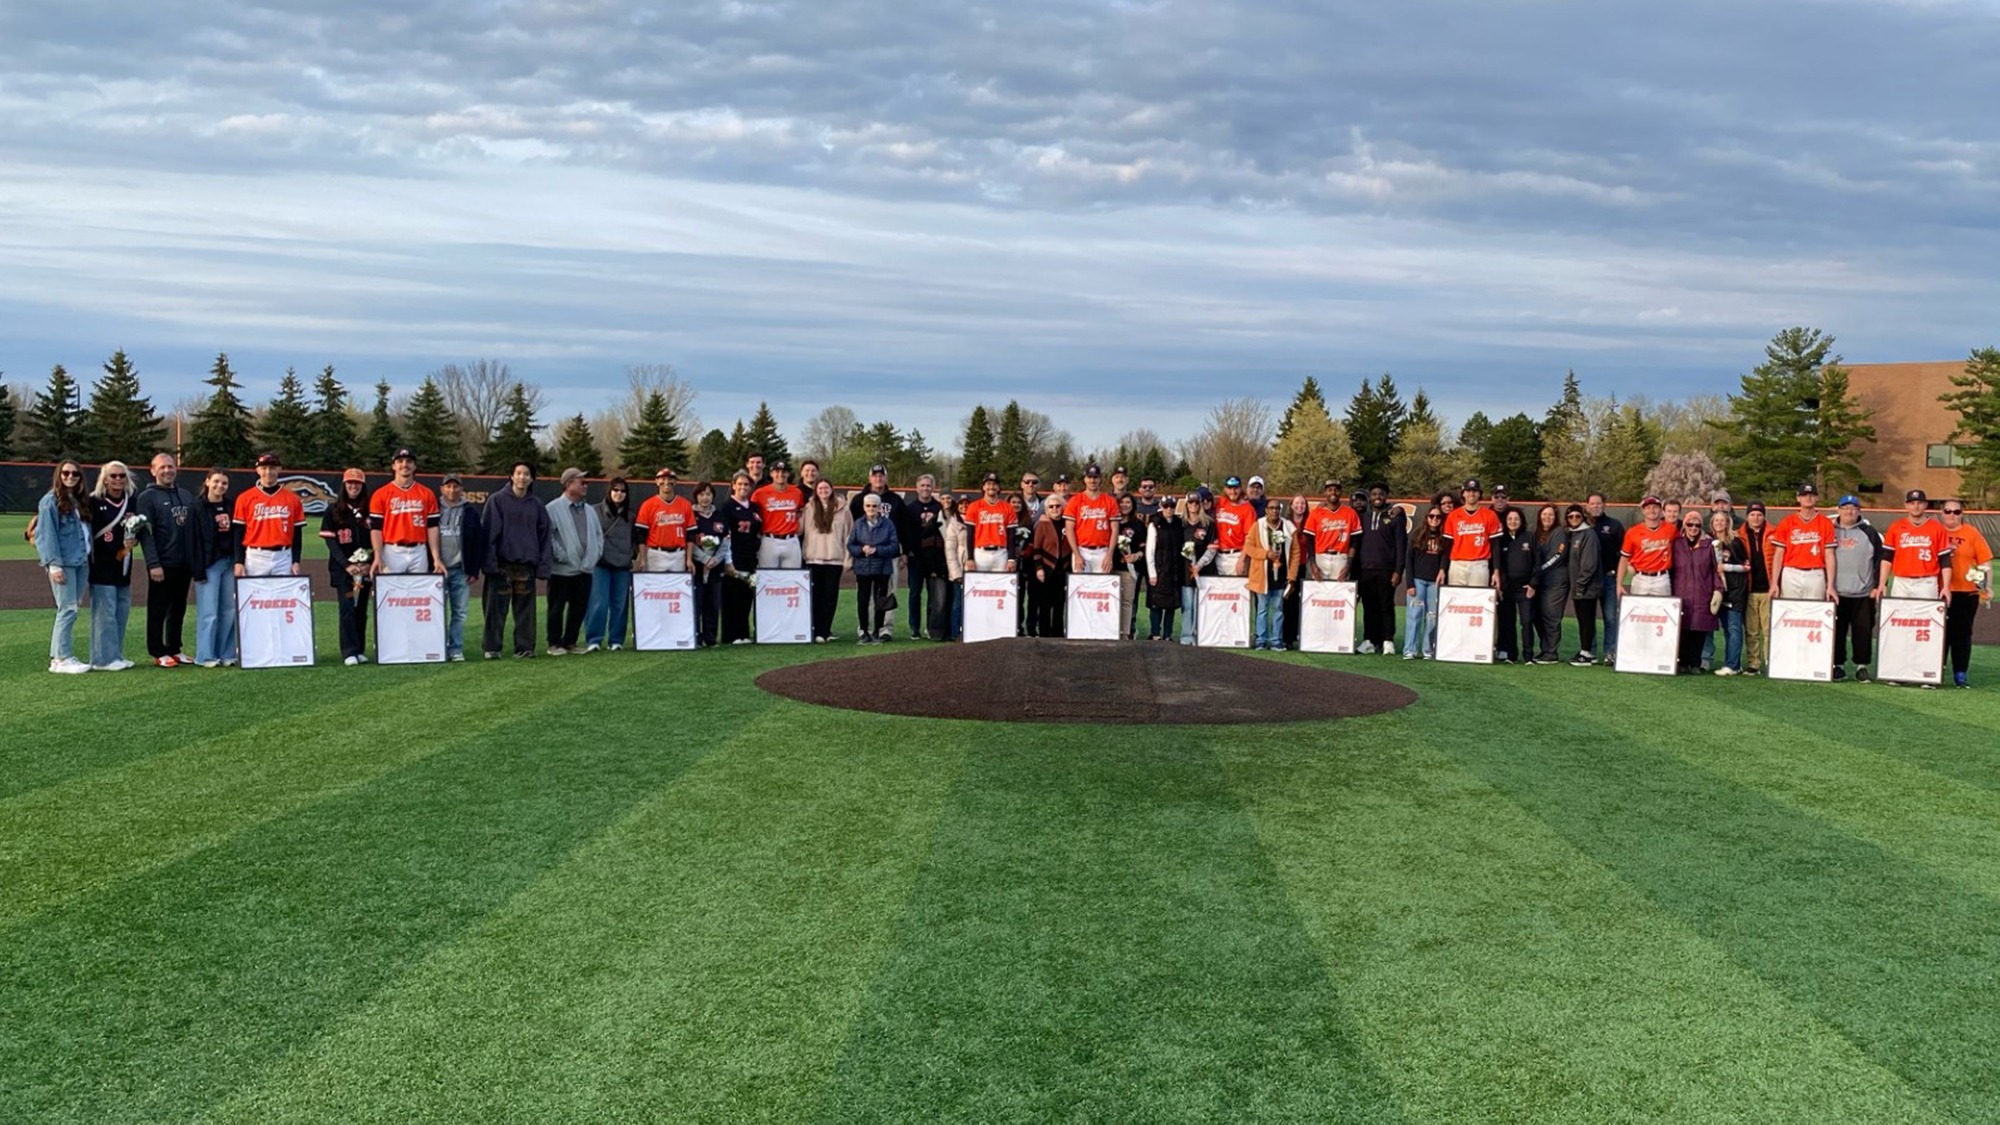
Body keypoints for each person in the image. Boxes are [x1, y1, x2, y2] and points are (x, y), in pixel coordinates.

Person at [482, 461, 552, 659]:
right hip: (501, 566)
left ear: (531, 478)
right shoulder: (496, 501)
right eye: (518, 473)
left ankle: (524, 648)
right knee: (495, 609)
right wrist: (489, 564)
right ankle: (492, 648)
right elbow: (489, 534)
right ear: (511, 476)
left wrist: (543, 567)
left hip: (526, 566)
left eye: (526, 474)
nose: (522, 477)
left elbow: (545, 537)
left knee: (526, 612)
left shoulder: (537, 505)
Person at [133, 451, 196, 666]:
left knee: (179, 608)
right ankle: (157, 651)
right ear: (153, 471)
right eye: (162, 467)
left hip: (184, 563)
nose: (167, 470)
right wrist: (153, 563)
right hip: (162, 564)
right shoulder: (147, 498)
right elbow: (145, 533)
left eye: (170, 466)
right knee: (158, 608)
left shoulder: (186, 496)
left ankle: (174, 648)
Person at [35, 460, 93, 673]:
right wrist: (54, 565)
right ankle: (61, 658)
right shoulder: (50, 501)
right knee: (67, 609)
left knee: (72, 608)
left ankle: (62, 655)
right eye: (66, 473)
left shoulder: (78, 501)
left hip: (81, 561)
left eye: (75, 474)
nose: (70, 477)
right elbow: (45, 535)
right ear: (59, 475)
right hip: (64, 563)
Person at [83, 461, 141, 671]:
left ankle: (115, 654)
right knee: (104, 613)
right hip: (101, 565)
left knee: (121, 610)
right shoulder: (93, 501)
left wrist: (135, 540)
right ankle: (102, 659)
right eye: (113, 476)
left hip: (123, 564)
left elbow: (139, 530)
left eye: (121, 476)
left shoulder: (132, 501)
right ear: (104, 478)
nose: (118, 480)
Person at [1823, 495, 1887, 682]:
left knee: (1863, 631)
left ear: (1859, 511)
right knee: (1837, 631)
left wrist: (1877, 586)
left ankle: (1862, 666)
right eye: (1845, 508)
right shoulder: (1829, 530)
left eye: (1853, 508)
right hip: (1837, 591)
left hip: (1863, 591)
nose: (1849, 511)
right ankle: (1838, 666)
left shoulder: (1870, 532)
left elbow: (1880, 560)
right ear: (1839, 509)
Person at [544, 469, 603, 655]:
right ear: (569, 484)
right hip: (561, 569)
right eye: (581, 482)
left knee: (579, 607)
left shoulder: (590, 510)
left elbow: (598, 536)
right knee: (556, 608)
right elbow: (548, 537)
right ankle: (554, 643)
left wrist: (594, 555)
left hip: (585, 568)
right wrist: (562, 555)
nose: (585, 485)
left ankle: (570, 642)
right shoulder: (552, 508)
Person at [848, 464, 910, 639]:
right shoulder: (859, 500)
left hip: (888, 556)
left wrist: (904, 551)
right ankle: (865, 629)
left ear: (886, 478)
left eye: (881, 476)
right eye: (875, 476)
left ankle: (885, 630)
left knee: (886, 594)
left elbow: (904, 528)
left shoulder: (895, 500)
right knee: (865, 596)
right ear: (870, 478)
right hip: (864, 558)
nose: (878, 479)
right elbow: (851, 528)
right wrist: (857, 552)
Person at [322, 469, 374, 665]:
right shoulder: (334, 509)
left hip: (365, 569)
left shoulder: (370, 508)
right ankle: (349, 651)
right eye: (350, 483)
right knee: (347, 608)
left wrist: (369, 563)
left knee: (361, 609)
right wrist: (346, 565)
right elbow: (331, 541)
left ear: (363, 486)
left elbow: (377, 538)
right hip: (344, 571)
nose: (354, 487)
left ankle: (359, 649)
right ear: (344, 485)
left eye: (357, 483)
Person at [188, 468, 239, 668]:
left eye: (224, 483)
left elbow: (237, 535)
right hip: (209, 564)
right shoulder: (197, 507)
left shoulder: (231, 506)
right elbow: (192, 541)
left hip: (229, 562)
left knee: (229, 610)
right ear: (207, 481)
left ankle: (226, 653)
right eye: (216, 481)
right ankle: (206, 655)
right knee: (209, 612)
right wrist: (198, 570)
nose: (220, 486)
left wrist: (237, 560)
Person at [1940, 500, 1992, 688]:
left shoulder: (1971, 533)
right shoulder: (1936, 531)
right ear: (1942, 512)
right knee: (1939, 633)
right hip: (1939, 590)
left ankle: (1960, 673)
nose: (1952, 515)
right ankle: (1936, 670)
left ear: (1962, 513)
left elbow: (1984, 563)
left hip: (1965, 591)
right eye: (1948, 511)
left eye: (1956, 511)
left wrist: (1986, 587)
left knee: (1962, 634)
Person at [368, 449, 443, 576]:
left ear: (415, 466)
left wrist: (436, 558)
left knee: (418, 593)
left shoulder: (427, 493)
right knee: (392, 593)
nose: (404, 464)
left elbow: (432, 527)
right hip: (392, 550)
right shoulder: (381, 494)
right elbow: (376, 529)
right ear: (393, 466)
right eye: (400, 461)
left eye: (409, 461)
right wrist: (377, 556)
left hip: (419, 550)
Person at [583, 476, 636, 652]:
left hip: (622, 565)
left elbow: (635, 540)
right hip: (600, 564)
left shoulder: (630, 515)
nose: (619, 494)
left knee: (620, 605)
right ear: (609, 491)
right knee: (598, 603)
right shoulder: (594, 511)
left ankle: (616, 640)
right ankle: (594, 640)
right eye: (615, 490)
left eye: (622, 491)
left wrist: (632, 554)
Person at [233, 453, 306, 578]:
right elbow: (239, 532)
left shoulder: (292, 499)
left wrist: (296, 561)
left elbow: (297, 533)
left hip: (283, 556)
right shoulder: (244, 498)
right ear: (257, 470)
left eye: (272, 468)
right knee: (255, 596)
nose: (268, 472)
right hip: (255, 557)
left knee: (282, 596)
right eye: (264, 468)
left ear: (279, 469)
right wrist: (239, 561)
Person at [1352, 484, 1406, 654]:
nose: (1377, 497)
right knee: (1369, 607)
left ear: (1386, 496)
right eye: (1374, 494)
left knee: (1386, 606)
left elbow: (1401, 546)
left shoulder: (1394, 517)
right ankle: (1370, 640)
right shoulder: (1362, 517)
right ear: (1370, 497)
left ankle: (1387, 641)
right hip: (1365, 568)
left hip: (1387, 569)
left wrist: (1398, 571)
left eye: (1381, 494)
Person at [436, 473, 484, 662]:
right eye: (448, 486)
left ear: (461, 489)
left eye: (456, 486)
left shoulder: (470, 511)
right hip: (437, 570)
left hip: (459, 569)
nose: (452, 490)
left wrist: (474, 570)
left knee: (459, 613)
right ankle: (437, 647)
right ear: (442, 489)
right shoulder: (433, 509)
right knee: (435, 612)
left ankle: (455, 649)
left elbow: (479, 542)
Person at [1669, 509, 1724, 674]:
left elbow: (1717, 569)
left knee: (1699, 630)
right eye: (1690, 524)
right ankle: (1682, 662)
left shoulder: (1710, 544)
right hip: (1680, 591)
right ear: (1684, 525)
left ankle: (1695, 663)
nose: (1693, 528)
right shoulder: (1676, 543)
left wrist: (1718, 590)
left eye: (1697, 525)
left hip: (1702, 590)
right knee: (1682, 629)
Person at [801, 478, 852, 643]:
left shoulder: (843, 510)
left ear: (832, 489)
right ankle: (814, 629)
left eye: (826, 488)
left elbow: (849, 535)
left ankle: (825, 630)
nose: (823, 491)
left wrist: (847, 559)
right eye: (820, 488)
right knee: (815, 597)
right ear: (816, 491)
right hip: (813, 559)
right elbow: (800, 529)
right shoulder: (809, 508)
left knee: (829, 597)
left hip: (834, 560)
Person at [1879, 489, 1952, 601]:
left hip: (1926, 582)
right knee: (1900, 617)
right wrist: (1882, 583)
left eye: (1919, 503)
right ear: (1906, 505)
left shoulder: (1937, 528)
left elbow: (1945, 560)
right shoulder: (1896, 527)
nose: (1916, 506)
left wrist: (1946, 587)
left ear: (1926, 505)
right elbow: (1887, 558)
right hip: (1901, 581)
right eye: (1912, 503)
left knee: (1926, 617)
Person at [847, 491, 900, 643]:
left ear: (879, 508)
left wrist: (877, 550)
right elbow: (851, 544)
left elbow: (894, 546)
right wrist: (861, 550)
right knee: (863, 601)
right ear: (864, 507)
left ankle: (877, 631)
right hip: (863, 568)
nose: (871, 508)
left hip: (882, 568)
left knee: (880, 601)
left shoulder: (888, 524)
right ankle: (864, 631)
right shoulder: (858, 524)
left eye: (874, 506)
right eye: (868, 505)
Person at [1771, 483, 1837, 601]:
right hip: (1791, 572)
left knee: (1814, 610)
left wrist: (1830, 584)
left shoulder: (1825, 523)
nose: (1808, 498)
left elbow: (1829, 555)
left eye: (1811, 495)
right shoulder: (1787, 522)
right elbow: (1779, 554)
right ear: (1798, 498)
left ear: (1817, 498)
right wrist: (1774, 582)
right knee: (1790, 610)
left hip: (1815, 572)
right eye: (1804, 495)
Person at [718, 471, 763, 644]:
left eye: (746, 484)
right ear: (733, 485)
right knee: (732, 595)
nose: (743, 487)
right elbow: (725, 535)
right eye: (740, 484)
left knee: (746, 595)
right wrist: (728, 560)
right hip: (734, 555)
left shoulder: (753, 507)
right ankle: (732, 634)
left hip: (750, 556)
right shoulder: (727, 506)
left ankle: (743, 633)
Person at [1245, 499, 1297, 650]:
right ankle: (1261, 640)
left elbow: (1295, 553)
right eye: (1271, 508)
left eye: (1277, 508)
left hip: (1281, 576)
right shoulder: (1258, 525)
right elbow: (1248, 547)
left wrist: (1291, 576)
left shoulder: (1287, 527)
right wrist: (1265, 554)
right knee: (1262, 609)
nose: (1274, 511)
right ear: (1266, 510)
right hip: (1263, 576)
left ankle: (1276, 641)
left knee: (1278, 610)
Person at [689, 482, 731, 647]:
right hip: (697, 566)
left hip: (715, 566)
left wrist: (715, 560)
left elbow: (726, 540)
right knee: (696, 603)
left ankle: (711, 638)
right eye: (701, 494)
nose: (704, 498)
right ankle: (696, 637)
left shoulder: (719, 515)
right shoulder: (691, 514)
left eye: (708, 494)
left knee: (713, 604)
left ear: (713, 496)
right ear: (696, 496)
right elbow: (689, 541)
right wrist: (704, 559)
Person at [1736, 501, 1776, 674]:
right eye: (1752, 514)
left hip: (1768, 589)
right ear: (1747, 516)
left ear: (1764, 516)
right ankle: (1754, 663)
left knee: (1768, 630)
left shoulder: (1775, 533)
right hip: (1750, 589)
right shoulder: (1739, 535)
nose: (1756, 517)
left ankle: (1770, 661)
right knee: (1751, 631)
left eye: (1759, 514)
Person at [903, 474, 946, 637]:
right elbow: (906, 533)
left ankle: (930, 626)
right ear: (917, 487)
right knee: (914, 593)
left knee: (933, 593)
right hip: (916, 557)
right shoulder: (910, 508)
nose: (925, 488)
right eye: (922, 485)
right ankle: (915, 628)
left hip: (933, 558)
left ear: (933, 488)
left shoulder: (939, 508)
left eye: (928, 486)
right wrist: (906, 552)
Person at [1492, 507, 1535, 663]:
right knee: (1508, 623)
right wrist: (1500, 586)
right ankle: (1511, 655)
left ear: (1521, 520)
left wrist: (1533, 584)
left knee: (1526, 622)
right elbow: (1497, 565)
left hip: (1525, 589)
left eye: (1516, 519)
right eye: (1510, 519)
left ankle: (1528, 656)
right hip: (1506, 589)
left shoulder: (1530, 537)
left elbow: (1538, 563)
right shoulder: (1501, 540)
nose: (1513, 522)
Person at [1585, 492, 1625, 663]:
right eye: (1592, 503)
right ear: (1587, 506)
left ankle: (1610, 652)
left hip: (1609, 577)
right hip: (1588, 579)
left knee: (1610, 617)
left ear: (1604, 505)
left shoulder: (1614, 525)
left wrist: (1619, 577)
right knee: (1588, 617)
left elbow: (1623, 553)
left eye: (1598, 503)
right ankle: (1590, 651)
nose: (1595, 506)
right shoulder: (1581, 525)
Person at [1529, 505, 1571, 664]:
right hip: (1540, 581)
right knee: (1538, 617)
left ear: (1556, 517)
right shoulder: (1537, 534)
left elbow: (1557, 556)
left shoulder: (1559, 532)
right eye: (1544, 514)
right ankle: (1545, 649)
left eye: (1551, 515)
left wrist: (1538, 570)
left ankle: (1551, 652)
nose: (1547, 518)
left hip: (1555, 581)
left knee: (1551, 617)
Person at [1441, 478, 1502, 590]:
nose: (1471, 494)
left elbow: (1495, 546)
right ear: (1463, 494)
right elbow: (1447, 545)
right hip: (1457, 563)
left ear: (1479, 494)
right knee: (1456, 602)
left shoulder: (1490, 515)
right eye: (1468, 491)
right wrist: (1442, 569)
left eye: (1475, 491)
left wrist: (1496, 571)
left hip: (1479, 564)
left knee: (1477, 602)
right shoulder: (1453, 516)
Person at [1404, 503, 1446, 659]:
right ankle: (1410, 650)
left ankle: (1428, 650)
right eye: (1431, 516)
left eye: (1438, 517)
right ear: (1426, 518)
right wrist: (1410, 584)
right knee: (1414, 615)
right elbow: (1408, 559)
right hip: (1418, 580)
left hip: (1434, 583)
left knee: (1432, 617)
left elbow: (1445, 558)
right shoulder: (1417, 535)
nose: (1434, 519)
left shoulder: (1444, 537)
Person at [1712, 509, 1750, 676]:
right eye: (1716, 521)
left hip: (1735, 590)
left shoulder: (1735, 542)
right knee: (1726, 629)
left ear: (1728, 523)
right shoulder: (1710, 542)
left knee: (1734, 628)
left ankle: (1733, 665)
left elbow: (1746, 566)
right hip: (1720, 591)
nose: (1719, 523)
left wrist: (1726, 567)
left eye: (1722, 520)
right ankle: (1733, 663)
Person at [1565, 504, 1603, 665]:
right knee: (1582, 619)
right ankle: (1585, 650)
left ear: (1583, 517)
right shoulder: (1573, 534)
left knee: (1586, 619)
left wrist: (1580, 585)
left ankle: (1587, 652)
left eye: (1577, 516)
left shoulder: (1588, 534)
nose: (1574, 519)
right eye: (1570, 516)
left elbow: (1589, 564)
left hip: (1587, 587)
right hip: (1579, 586)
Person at [1144, 495, 1187, 640]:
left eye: (1172, 506)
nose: (1169, 509)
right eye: (1166, 506)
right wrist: (1152, 573)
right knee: (1156, 603)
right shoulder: (1154, 524)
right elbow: (1149, 550)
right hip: (1159, 568)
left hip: (1174, 569)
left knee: (1171, 605)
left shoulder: (1178, 523)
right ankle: (1155, 633)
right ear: (1161, 506)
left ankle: (1168, 635)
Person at [636, 467, 694, 573]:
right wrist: (643, 559)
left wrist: (689, 559)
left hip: (678, 554)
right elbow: (641, 535)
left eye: (670, 478)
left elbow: (690, 535)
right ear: (656, 481)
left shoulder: (685, 505)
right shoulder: (647, 505)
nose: (666, 482)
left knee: (676, 589)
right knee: (655, 588)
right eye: (662, 479)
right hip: (656, 554)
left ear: (675, 482)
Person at [752, 460, 806, 570]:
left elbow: (801, 511)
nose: (780, 475)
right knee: (768, 577)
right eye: (777, 471)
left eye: (784, 472)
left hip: (791, 540)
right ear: (771, 474)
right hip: (769, 539)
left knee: (791, 577)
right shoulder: (760, 493)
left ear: (788, 474)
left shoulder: (797, 492)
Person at [1029, 492, 1070, 637]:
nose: (1054, 509)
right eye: (1051, 506)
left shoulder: (1068, 523)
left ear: (1063, 507)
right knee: (1045, 605)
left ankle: (1058, 635)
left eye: (1058, 506)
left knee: (1060, 605)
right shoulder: (1042, 523)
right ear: (1047, 509)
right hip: (1047, 568)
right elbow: (1036, 548)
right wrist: (1039, 568)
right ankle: (1044, 635)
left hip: (1063, 569)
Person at [1179, 489, 1217, 644]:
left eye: (1196, 502)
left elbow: (1212, 548)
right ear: (1186, 505)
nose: (1193, 505)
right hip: (1185, 570)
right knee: (1187, 605)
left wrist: (1199, 565)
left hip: (1204, 570)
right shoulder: (1180, 524)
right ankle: (1186, 636)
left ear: (1201, 504)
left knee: (1202, 605)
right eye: (1190, 502)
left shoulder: (1209, 523)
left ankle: (1202, 635)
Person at [1619, 496, 1675, 597]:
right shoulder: (1632, 532)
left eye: (1655, 507)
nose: (1652, 510)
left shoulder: (1671, 529)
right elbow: (1624, 558)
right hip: (1640, 578)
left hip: (1661, 577)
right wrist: (1619, 584)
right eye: (1648, 507)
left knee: (1661, 611)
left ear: (1661, 510)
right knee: (1640, 611)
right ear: (1643, 511)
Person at [964, 473, 1018, 574]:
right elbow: (970, 535)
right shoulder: (974, 506)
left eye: (994, 484)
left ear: (998, 487)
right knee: (979, 586)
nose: (991, 487)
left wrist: (1011, 559)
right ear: (983, 487)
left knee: (1001, 586)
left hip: (1001, 553)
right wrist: (970, 558)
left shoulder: (1007, 507)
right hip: (980, 553)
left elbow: (1011, 535)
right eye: (988, 484)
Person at [1306, 480, 1358, 582]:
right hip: (1320, 557)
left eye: (1336, 490)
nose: (1333, 493)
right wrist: (1313, 563)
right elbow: (1309, 540)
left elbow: (1355, 541)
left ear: (1341, 492)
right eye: (1329, 490)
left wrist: (1349, 563)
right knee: (1319, 592)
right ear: (1325, 492)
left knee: (1339, 594)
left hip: (1341, 557)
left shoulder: (1350, 513)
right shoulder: (1316, 513)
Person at [1113, 493, 1146, 639]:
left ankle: (1125, 633)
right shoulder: (1112, 521)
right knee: (1111, 600)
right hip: (1111, 568)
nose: (1125, 505)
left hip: (1129, 570)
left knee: (1127, 601)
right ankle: (1110, 630)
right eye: (1122, 502)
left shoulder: (1138, 524)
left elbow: (1144, 549)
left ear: (1133, 506)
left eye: (1128, 502)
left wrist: (1136, 556)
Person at [939, 491, 970, 640]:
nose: (964, 506)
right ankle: (955, 632)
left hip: (975, 569)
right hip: (960, 568)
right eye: (961, 504)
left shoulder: (975, 521)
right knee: (958, 602)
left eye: (967, 504)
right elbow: (950, 550)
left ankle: (971, 631)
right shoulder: (953, 523)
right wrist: (956, 572)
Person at [1282, 494, 1310, 650]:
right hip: (1285, 566)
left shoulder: (1309, 522)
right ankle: (1285, 636)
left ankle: (1296, 636)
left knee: (1299, 603)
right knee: (1286, 602)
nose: (1300, 506)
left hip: (1302, 566)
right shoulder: (1285, 523)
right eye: (1297, 503)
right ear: (1291, 505)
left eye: (1303, 503)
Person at [1212, 476, 1255, 577]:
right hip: (1218, 555)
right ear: (1225, 489)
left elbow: (1249, 538)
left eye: (1236, 488)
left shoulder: (1248, 509)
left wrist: (1242, 559)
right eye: (1230, 488)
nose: (1233, 491)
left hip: (1236, 555)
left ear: (1240, 488)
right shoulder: (1221, 502)